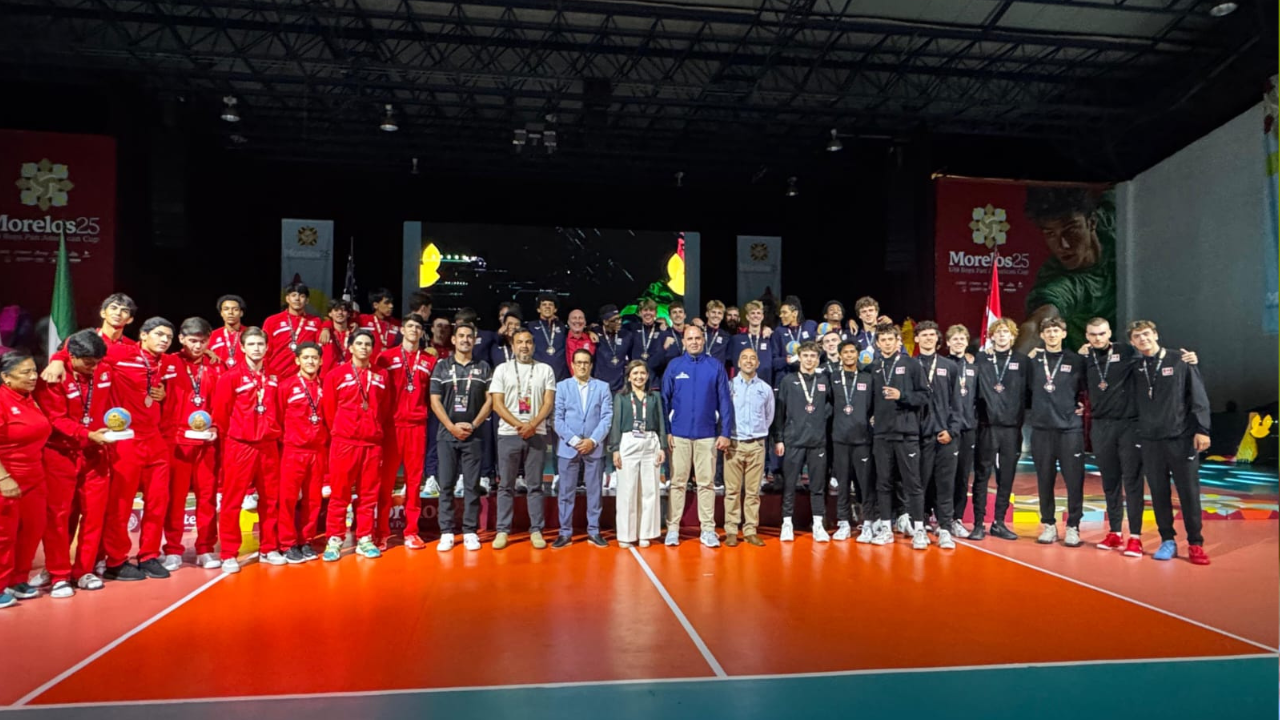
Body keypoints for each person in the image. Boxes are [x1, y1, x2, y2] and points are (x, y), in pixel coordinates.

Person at [81, 317, 177, 581]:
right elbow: (82, 348)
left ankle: (148, 555)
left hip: (155, 439)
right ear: (143, 335)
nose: (164, 340)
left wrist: (165, 394)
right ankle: (116, 560)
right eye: (158, 334)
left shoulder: (168, 362)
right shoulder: (120, 352)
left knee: (158, 502)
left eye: (168, 336)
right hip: (126, 438)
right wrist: (57, 358)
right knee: (121, 504)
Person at [33, 331, 111, 595]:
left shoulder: (102, 370)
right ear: (72, 356)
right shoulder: (53, 377)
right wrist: (87, 433)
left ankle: (84, 571)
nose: (94, 368)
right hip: (60, 454)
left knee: (94, 515)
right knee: (57, 516)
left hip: (95, 453)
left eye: (98, 362)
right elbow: (55, 419)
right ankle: (58, 575)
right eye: (88, 363)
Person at [1129, 320, 1211, 565]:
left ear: (1155, 334)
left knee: (1189, 492)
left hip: (1181, 437)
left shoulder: (1180, 360)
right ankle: (1168, 540)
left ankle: (1195, 543)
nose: (1143, 339)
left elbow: (1198, 395)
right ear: (1132, 342)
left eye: (1146, 334)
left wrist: (1202, 429)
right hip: (1150, 439)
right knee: (1158, 492)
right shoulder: (1135, 367)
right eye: (1137, 336)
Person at [212, 327, 283, 572]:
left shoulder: (274, 376)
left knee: (271, 500)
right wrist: (236, 436)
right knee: (233, 501)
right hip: (239, 445)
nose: (256, 348)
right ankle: (229, 553)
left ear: (267, 347)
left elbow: (280, 410)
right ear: (242, 347)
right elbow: (220, 415)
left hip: (268, 445)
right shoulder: (230, 377)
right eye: (251, 344)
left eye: (260, 344)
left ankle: (268, 548)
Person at [320, 329, 391, 562]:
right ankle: (334, 539)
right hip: (344, 442)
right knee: (340, 494)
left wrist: (372, 430)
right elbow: (329, 410)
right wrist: (343, 430)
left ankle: (364, 538)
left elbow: (384, 408)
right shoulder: (335, 375)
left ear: (373, 349)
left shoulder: (382, 375)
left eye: (368, 344)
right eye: (359, 343)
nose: (363, 347)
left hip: (372, 444)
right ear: (350, 347)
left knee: (368, 495)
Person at [1017, 187, 1116, 353]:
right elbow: (1035, 326)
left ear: (1091, 222)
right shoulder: (1059, 282)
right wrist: (1009, 369)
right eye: (1050, 234)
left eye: (1071, 230)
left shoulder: (1112, 221)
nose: (1063, 245)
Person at [662, 325, 733, 548]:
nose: (694, 342)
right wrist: (667, 431)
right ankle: (672, 529)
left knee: (706, 483)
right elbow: (664, 401)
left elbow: (725, 402)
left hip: (707, 435)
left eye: (697, 338)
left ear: (704, 340)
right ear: (683, 341)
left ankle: (708, 529)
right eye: (689, 338)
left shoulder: (715, 366)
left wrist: (725, 432)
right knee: (678, 483)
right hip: (680, 435)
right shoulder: (674, 366)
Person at [160, 318, 222, 572]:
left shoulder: (216, 366)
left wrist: (216, 427)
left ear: (209, 341)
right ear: (181, 339)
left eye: (203, 341)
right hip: (176, 441)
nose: (198, 346)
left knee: (207, 498)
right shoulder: (167, 363)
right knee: (175, 498)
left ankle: (206, 548)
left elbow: (222, 401)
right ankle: (173, 549)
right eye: (193, 341)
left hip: (206, 442)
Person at [488, 328, 556, 550]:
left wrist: (532, 424)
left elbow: (548, 403)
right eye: (519, 342)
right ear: (513, 346)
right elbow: (497, 404)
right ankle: (502, 531)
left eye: (528, 342)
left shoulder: (545, 369)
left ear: (533, 346)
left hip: (537, 433)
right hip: (509, 433)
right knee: (505, 485)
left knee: (535, 485)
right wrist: (519, 425)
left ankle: (536, 529)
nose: (524, 346)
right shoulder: (502, 370)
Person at [429, 322, 493, 552]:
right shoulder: (441, 367)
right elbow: (435, 401)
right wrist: (451, 426)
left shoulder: (484, 367)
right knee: (445, 485)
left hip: (474, 435)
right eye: (461, 336)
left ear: (474, 340)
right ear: (453, 340)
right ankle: (446, 531)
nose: (465, 339)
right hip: (447, 435)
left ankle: (469, 531)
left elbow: (490, 400)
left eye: (469, 336)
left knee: (471, 485)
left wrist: (474, 424)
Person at [375, 314, 437, 550]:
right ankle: (381, 532)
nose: (413, 330)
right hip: (392, 427)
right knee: (386, 482)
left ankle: (411, 531)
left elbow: (432, 394)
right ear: (402, 330)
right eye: (410, 326)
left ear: (422, 332)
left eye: (418, 327)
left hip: (417, 426)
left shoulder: (429, 361)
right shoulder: (386, 357)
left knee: (414, 481)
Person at [1026, 317, 1086, 547]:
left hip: (1069, 429)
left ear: (1064, 333)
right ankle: (1049, 524)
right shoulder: (1033, 360)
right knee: (1044, 480)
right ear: (1042, 335)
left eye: (1056, 330)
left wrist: (1083, 406)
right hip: (1042, 429)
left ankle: (1073, 526)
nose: (1052, 334)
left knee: (1074, 480)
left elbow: (1086, 388)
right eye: (1047, 331)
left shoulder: (1076, 360)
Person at [869, 323, 930, 549]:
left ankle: (920, 530)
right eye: (882, 340)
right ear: (877, 343)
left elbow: (924, 396)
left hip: (906, 434)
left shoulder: (912, 365)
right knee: (883, 483)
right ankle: (886, 528)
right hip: (882, 435)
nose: (886, 343)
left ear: (898, 342)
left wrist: (901, 395)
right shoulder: (874, 368)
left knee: (912, 483)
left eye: (890, 339)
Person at [0, 351, 52, 606]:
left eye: (34, 370)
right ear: (5, 377)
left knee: (32, 530)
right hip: (7, 477)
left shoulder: (29, 398)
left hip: (35, 476)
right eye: (25, 372)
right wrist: (3, 479)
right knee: (4, 535)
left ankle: (18, 579)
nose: (33, 376)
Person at [970, 317, 1029, 542]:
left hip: (1012, 429)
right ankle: (978, 523)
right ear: (991, 336)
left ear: (1013, 337)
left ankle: (999, 522)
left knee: (1006, 477)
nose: (1002, 336)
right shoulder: (980, 359)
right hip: (986, 427)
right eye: (998, 332)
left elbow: (1035, 392)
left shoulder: (1023, 362)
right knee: (982, 476)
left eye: (1007, 333)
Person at [551, 349, 613, 548]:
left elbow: (607, 418)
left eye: (586, 362)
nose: (582, 366)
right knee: (566, 492)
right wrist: (575, 440)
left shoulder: (603, 387)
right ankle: (565, 533)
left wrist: (592, 441)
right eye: (578, 362)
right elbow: (556, 419)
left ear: (591, 365)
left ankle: (594, 531)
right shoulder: (561, 387)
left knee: (594, 492)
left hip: (594, 447)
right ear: (572, 364)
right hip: (569, 447)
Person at [772, 341, 833, 542]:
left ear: (818, 359)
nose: (809, 360)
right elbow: (779, 413)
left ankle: (818, 524)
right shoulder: (788, 381)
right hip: (793, 440)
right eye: (806, 356)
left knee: (817, 486)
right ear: (799, 357)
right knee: (789, 484)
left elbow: (831, 406)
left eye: (813, 356)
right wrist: (779, 439)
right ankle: (787, 523)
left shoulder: (824, 380)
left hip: (817, 441)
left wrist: (820, 420)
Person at [278, 342, 327, 563]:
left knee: (313, 499)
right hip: (293, 450)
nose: (310, 362)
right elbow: (278, 418)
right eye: (306, 357)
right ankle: (287, 544)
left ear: (321, 361)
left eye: (314, 358)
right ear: (297, 360)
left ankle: (306, 540)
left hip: (318, 451)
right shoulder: (286, 386)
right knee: (288, 499)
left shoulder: (325, 386)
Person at [913, 321, 961, 550]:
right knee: (919, 485)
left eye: (932, 335)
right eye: (923, 335)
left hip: (945, 436)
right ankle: (919, 528)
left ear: (938, 339)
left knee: (945, 485)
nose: (928, 338)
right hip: (919, 437)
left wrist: (951, 431)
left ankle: (944, 529)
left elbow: (957, 403)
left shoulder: (949, 366)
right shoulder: (910, 366)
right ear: (916, 339)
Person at [608, 360, 666, 548]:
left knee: (650, 490)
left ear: (647, 376)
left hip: (650, 442)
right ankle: (626, 534)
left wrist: (662, 446)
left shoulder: (655, 396)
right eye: (635, 373)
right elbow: (615, 423)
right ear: (629, 376)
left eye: (642, 373)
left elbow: (662, 423)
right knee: (628, 490)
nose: (639, 376)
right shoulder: (621, 397)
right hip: (628, 442)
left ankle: (645, 533)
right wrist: (615, 448)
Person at [724, 348, 771, 547]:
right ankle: (732, 530)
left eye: (753, 358)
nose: (749, 361)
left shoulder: (765, 388)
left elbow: (769, 416)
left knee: (753, 492)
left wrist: (758, 435)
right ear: (738, 362)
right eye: (744, 357)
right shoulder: (729, 386)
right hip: (734, 444)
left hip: (756, 445)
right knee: (732, 491)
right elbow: (723, 414)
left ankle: (750, 530)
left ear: (758, 363)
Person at [829, 341, 876, 542]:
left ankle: (867, 523)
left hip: (862, 439)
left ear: (858, 354)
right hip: (840, 438)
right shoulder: (832, 378)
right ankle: (844, 523)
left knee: (865, 484)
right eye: (845, 352)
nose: (849, 355)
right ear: (840, 355)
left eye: (852, 351)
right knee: (843, 484)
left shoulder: (867, 378)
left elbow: (873, 406)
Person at [944, 325, 979, 539]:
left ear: (966, 342)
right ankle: (941, 516)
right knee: (945, 475)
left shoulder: (975, 367)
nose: (958, 342)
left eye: (962, 339)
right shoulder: (942, 366)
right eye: (954, 339)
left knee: (962, 475)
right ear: (947, 343)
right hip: (948, 429)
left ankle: (956, 518)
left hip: (968, 429)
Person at [264, 281, 322, 380]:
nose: (297, 299)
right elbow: (265, 350)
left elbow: (320, 351)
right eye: (293, 295)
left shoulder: (316, 322)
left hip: (303, 377)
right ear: (287, 299)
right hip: (277, 375)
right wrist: (267, 373)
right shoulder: (272, 321)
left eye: (302, 296)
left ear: (307, 300)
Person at [769, 296, 817, 377]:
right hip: (786, 376)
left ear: (795, 313)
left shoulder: (810, 326)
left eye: (784, 312)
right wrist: (785, 360)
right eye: (780, 313)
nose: (780, 315)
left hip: (808, 375)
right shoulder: (778, 332)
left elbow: (818, 349)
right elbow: (773, 361)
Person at [731, 300, 774, 385]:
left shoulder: (769, 338)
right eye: (753, 313)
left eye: (758, 313)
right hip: (742, 385)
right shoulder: (736, 339)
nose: (756, 316)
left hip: (764, 385)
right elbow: (731, 364)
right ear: (747, 317)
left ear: (762, 316)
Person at [529, 293, 569, 382]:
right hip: (538, 376)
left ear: (555, 309)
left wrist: (589, 331)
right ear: (538, 309)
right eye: (544, 304)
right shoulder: (530, 326)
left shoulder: (563, 327)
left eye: (550, 304)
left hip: (560, 377)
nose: (547, 307)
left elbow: (578, 332)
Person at [592, 305, 630, 393]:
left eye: (620, 319)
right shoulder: (596, 333)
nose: (619, 322)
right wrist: (589, 330)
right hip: (599, 388)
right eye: (615, 320)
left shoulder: (627, 335)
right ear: (605, 321)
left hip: (620, 388)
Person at [630, 299, 666, 390]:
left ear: (656, 313)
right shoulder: (632, 329)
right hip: (636, 381)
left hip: (655, 382)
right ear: (640, 313)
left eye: (651, 310)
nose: (648, 313)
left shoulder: (661, 329)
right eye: (645, 310)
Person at [319, 299, 356, 378]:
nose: (340, 313)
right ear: (330, 313)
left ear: (349, 314)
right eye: (336, 310)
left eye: (343, 310)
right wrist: (326, 327)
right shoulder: (321, 333)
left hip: (350, 377)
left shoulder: (355, 334)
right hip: (327, 378)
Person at [209, 295, 246, 369]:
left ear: (241, 313)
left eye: (235, 309)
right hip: (219, 378)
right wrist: (207, 352)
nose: (230, 312)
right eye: (226, 309)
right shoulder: (212, 335)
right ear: (221, 313)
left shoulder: (250, 334)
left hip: (244, 377)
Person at [360, 288, 400, 352]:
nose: (391, 306)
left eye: (391, 302)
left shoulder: (397, 324)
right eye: (386, 303)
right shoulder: (362, 320)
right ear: (375, 305)